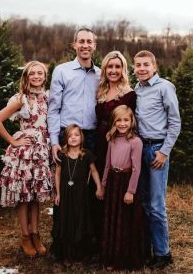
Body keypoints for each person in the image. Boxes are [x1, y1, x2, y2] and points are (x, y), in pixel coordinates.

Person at [0, 61, 53, 258]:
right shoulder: (20, 99)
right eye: (32, 73)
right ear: (26, 77)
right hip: (25, 154)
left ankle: (36, 235)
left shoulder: (48, 97)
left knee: (36, 197)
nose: (36, 76)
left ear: (44, 76)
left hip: (42, 152)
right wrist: (13, 140)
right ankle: (25, 236)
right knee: (24, 197)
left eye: (40, 73)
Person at [134, 50, 181, 269]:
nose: (141, 68)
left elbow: (175, 122)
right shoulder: (137, 89)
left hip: (156, 150)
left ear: (154, 66)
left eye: (146, 64)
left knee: (156, 204)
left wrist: (164, 151)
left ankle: (163, 253)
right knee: (143, 202)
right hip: (140, 149)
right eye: (138, 65)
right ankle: (147, 248)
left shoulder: (164, 87)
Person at [93, 50, 136, 249]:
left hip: (116, 144)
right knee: (99, 188)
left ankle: (117, 241)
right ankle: (100, 238)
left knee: (114, 189)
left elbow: (129, 124)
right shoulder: (100, 91)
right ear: (105, 69)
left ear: (123, 69)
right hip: (98, 143)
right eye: (110, 66)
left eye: (117, 67)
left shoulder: (128, 94)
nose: (113, 70)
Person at [50, 124, 104, 262]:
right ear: (65, 138)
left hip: (81, 193)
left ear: (81, 137)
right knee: (65, 218)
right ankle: (65, 251)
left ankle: (80, 250)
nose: (73, 138)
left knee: (79, 217)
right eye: (70, 135)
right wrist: (58, 193)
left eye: (76, 135)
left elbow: (94, 171)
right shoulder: (62, 154)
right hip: (65, 192)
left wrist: (99, 187)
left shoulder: (86, 154)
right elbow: (57, 174)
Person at [101, 105, 145, 271]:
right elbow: (107, 164)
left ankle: (124, 258)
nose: (122, 123)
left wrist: (130, 191)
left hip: (126, 183)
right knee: (112, 219)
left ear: (131, 121)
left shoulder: (135, 141)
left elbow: (136, 168)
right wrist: (103, 186)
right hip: (113, 181)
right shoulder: (112, 139)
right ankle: (111, 256)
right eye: (118, 120)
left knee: (124, 221)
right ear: (114, 122)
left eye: (126, 120)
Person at [48, 28, 101, 161]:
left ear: (94, 46)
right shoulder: (61, 71)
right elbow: (53, 109)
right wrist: (54, 141)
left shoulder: (101, 75)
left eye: (89, 41)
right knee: (66, 179)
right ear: (74, 45)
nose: (85, 45)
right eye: (81, 41)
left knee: (90, 179)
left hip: (92, 137)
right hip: (66, 134)